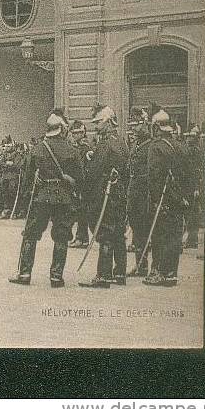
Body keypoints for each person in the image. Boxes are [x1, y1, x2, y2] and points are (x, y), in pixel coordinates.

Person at [9, 112, 81, 288]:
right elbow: (80, 176)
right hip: (63, 197)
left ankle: (25, 273)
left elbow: (26, 175)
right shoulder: (71, 150)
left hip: (42, 197)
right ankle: (56, 277)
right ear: (62, 130)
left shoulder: (38, 149)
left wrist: (27, 197)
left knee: (30, 234)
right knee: (62, 236)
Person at [78, 105, 130, 288]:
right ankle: (120, 273)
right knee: (118, 233)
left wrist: (89, 162)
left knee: (105, 233)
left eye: (99, 122)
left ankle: (103, 275)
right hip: (119, 194)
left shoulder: (105, 144)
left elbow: (93, 172)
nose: (96, 126)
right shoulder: (121, 141)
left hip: (105, 194)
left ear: (109, 122)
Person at [143, 109, 193, 287]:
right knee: (174, 236)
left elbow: (153, 176)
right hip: (179, 199)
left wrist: (156, 200)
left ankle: (159, 273)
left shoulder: (156, 147)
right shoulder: (181, 145)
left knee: (159, 236)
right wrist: (185, 197)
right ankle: (171, 273)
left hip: (163, 198)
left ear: (156, 127)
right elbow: (189, 175)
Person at [126, 108, 153, 277]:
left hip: (146, 193)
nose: (133, 129)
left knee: (148, 228)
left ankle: (153, 266)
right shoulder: (136, 144)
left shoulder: (151, 145)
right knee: (137, 228)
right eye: (131, 125)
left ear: (145, 124)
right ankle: (141, 265)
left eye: (136, 125)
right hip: (135, 191)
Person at [69, 120, 93, 249]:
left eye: (77, 133)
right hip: (77, 183)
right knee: (80, 211)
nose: (74, 136)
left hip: (83, 184)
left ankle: (81, 238)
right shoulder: (77, 147)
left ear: (83, 133)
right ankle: (82, 238)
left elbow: (87, 167)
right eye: (73, 133)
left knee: (81, 211)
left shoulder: (86, 149)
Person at [182, 125, 204, 249]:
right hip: (187, 185)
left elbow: (196, 171)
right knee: (189, 213)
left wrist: (196, 187)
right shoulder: (189, 149)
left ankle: (192, 240)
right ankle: (191, 239)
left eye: (191, 137)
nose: (188, 139)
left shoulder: (195, 151)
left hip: (192, 186)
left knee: (192, 213)